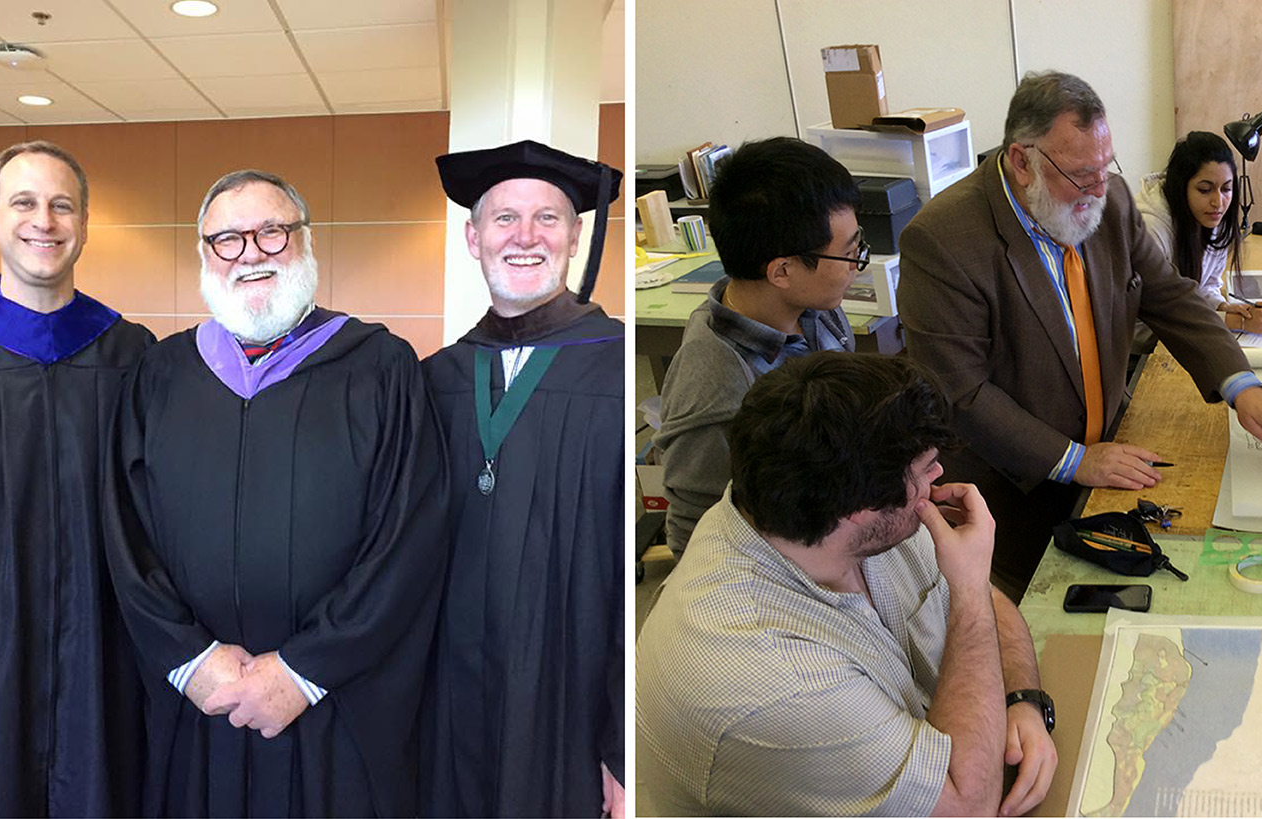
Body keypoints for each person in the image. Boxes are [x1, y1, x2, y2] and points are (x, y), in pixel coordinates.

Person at [103, 169, 449, 816]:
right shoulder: (160, 374)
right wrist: (189, 659)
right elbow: (126, 535)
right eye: (227, 238)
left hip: (333, 703)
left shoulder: (380, 366)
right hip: (200, 702)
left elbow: (408, 538)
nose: (252, 253)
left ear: (306, 240)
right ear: (203, 254)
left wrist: (304, 669)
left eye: (272, 231)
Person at [896, 71, 1262, 600]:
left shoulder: (1110, 202)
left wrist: (1242, 385)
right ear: (1021, 162)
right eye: (1082, 176)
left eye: (1106, 169)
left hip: (1108, 453)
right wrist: (1075, 460)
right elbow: (960, 394)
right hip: (1014, 494)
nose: (1099, 190)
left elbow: (1169, 295)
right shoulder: (943, 240)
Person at [637, 352, 1058, 817]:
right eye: (926, 468)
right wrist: (972, 585)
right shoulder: (776, 683)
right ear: (862, 506)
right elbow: (969, 807)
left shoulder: (820, 511)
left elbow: (985, 604)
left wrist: (1023, 702)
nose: (938, 478)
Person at [0, 141, 152, 816]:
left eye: (61, 204)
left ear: (83, 219)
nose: (42, 220)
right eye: (23, 202)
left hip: (101, 650)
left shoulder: (130, 353)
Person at [422, 140, 626, 818]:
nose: (526, 236)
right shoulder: (433, 379)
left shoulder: (617, 369)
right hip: (447, 703)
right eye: (505, 218)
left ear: (574, 237)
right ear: (472, 237)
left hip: (570, 702)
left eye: (548, 218)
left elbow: (639, 577)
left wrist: (623, 749)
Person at [654, 137, 863, 556]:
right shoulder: (717, 384)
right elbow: (694, 536)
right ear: (782, 271)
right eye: (849, 254)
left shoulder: (817, 310)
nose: (857, 266)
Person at [1136, 131, 1262, 334]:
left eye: (1226, 189)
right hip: (1141, 347)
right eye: (1204, 190)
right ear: (1180, 187)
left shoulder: (1210, 215)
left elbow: (1205, 286)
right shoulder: (1150, 229)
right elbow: (1151, 317)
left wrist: (1223, 308)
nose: (1218, 202)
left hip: (1179, 333)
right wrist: (1234, 322)